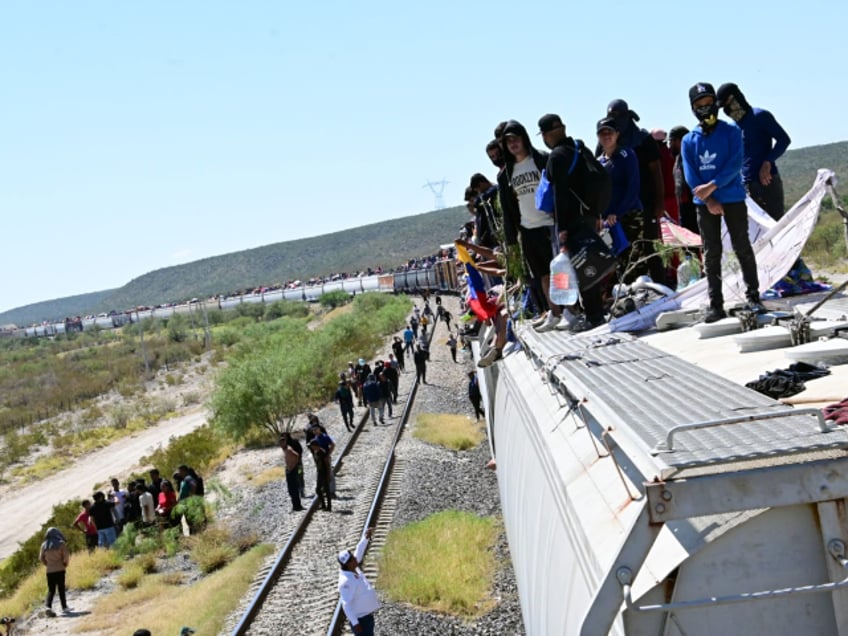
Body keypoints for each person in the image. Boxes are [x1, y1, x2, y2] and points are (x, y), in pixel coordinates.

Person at [681, 82, 765, 323]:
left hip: (733, 198)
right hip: (705, 203)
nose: (705, 109)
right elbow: (691, 175)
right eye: (699, 105)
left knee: (742, 246)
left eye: (708, 103)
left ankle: (754, 297)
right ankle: (715, 304)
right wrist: (708, 199)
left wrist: (713, 186)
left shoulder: (731, 131)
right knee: (711, 252)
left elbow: (734, 164)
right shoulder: (689, 140)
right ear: (692, 108)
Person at [538, 113, 606, 328]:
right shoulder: (580, 148)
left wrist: (562, 228)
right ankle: (596, 313)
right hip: (589, 215)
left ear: (546, 135)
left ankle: (593, 317)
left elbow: (560, 195)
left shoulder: (557, 156)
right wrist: (596, 214)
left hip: (572, 220)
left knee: (580, 268)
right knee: (591, 266)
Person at [498, 120, 564, 332]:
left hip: (550, 225)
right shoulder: (506, 173)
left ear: (524, 138)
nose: (513, 144)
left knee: (560, 271)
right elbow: (508, 209)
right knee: (542, 274)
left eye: (516, 139)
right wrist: (511, 241)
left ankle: (570, 311)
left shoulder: (542, 159)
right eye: (508, 141)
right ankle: (554, 312)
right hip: (528, 229)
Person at [605, 99, 667, 284]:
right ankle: (627, 291)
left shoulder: (643, 139)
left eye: (619, 116)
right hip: (619, 209)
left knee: (649, 247)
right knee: (623, 251)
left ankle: (660, 287)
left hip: (645, 203)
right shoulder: (607, 142)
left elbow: (657, 171)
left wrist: (659, 203)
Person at [716, 82, 791, 220]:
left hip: (767, 182)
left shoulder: (760, 116)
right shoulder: (734, 127)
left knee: (775, 226)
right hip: (745, 187)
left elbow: (784, 140)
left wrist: (767, 162)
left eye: (727, 104)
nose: (726, 110)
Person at [597, 117, 644, 282]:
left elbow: (633, 187)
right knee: (617, 262)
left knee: (634, 260)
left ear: (617, 134)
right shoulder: (599, 162)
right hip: (609, 222)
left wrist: (618, 212)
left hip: (629, 215)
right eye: (602, 133)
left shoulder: (627, 155)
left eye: (609, 132)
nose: (606, 136)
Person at [338, 527, 380, 635]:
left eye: (352, 556)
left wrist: (365, 538)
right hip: (361, 621)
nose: (355, 558)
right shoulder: (346, 582)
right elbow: (346, 604)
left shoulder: (353, 567)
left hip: (367, 618)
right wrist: (355, 623)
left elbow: (359, 551)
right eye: (352, 559)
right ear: (347, 563)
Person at [669, 126, 699, 233]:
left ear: (680, 140)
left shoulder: (693, 156)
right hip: (683, 207)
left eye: (671, 141)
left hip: (694, 206)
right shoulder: (678, 158)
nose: (670, 144)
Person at [39, 527, 70, 616]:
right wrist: (65, 564)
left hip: (49, 571)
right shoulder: (61, 543)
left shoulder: (44, 545)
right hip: (60, 569)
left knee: (51, 590)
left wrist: (47, 565)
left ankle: (48, 606)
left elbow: (41, 558)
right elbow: (66, 556)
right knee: (61, 589)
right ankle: (64, 607)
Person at [279, 433, 305, 512]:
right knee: (291, 489)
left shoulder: (289, 449)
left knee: (294, 489)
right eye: (280, 442)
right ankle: (295, 506)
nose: (281, 444)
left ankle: (298, 505)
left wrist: (293, 466)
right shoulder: (285, 449)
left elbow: (297, 455)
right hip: (289, 470)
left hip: (293, 470)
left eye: (283, 441)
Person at [308, 438, 332, 511]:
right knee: (318, 489)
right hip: (319, 472)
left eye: (312, 446)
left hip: (324, 473)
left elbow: (327, 464)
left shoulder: (322, 452)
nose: (311, 447)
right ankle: (323, 505)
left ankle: (329, 506)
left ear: (315, 445)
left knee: (326, 490)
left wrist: (328, 475)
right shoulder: (315, 452)